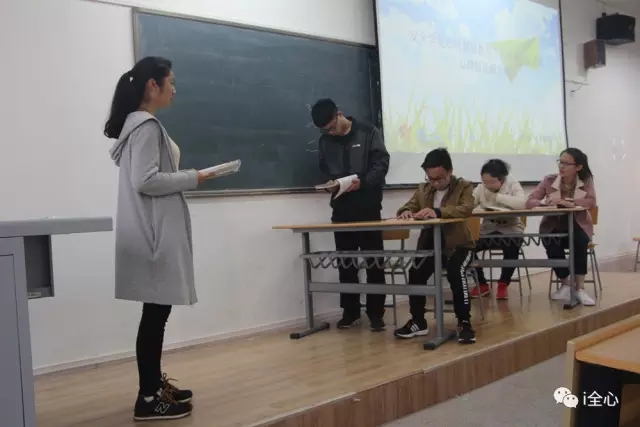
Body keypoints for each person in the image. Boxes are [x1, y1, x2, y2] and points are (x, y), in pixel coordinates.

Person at [105, 56, 213, 421]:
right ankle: (148, 398)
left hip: (147, 231)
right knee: (154, 317)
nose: (175, 89)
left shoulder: (136, 125)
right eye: (171, 82)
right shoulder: (147, 126)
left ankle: (153, 386)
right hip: (153, 236)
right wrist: (193, 177)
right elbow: (146, 180)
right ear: (153, 85)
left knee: (155, 314)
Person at [311, 98, 390, 331]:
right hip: (341, 207)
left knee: (374, 262)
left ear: (340, 114)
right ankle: (350, 312)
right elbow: (324, 168)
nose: (331, 133)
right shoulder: (325, 141)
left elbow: (381, 164)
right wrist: (330, 183)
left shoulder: (368, 132)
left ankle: (376, 313)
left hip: (368, 206)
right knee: (346, 263)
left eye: (332, 127)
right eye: (326, 131)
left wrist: (362, 182)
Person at [394, 148, 476, 344]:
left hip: (459, 244)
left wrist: (438, 212)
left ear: (450, 172)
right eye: (431, 178)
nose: (436, 183)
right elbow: (409, 205)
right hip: (431, 243)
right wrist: (405, 211)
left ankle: (464, 322)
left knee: (456, 272)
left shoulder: (464, 186)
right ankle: (418, 321)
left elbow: (466, 208)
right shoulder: (424, 189)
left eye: (440, 178)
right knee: (416, 272)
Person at [525, 147, 596, 306]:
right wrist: (544, 202)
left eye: (566, 163)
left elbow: (591, 202)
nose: (561, 166)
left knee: (579, 240)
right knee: (550, 240)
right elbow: (530, 201)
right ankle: (566, 283)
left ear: (578, 167)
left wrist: (568, 202)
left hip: (578, 225)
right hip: (553, 226)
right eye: (560, 162)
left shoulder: (585, 181)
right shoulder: (549, 180)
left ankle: (580, 289)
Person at [471, 159, 526, 300]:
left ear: (501, 179)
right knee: (466, 246)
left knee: (512, 246)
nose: (487, 185)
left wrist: (497, 197)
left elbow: (523, 204)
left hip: (511, 229)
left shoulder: (513, 184)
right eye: (485, 182)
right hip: (488, 230)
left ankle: (503, 284)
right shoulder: (481, 188)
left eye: (491, 182)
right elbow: (469, 204)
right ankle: (481, 284)